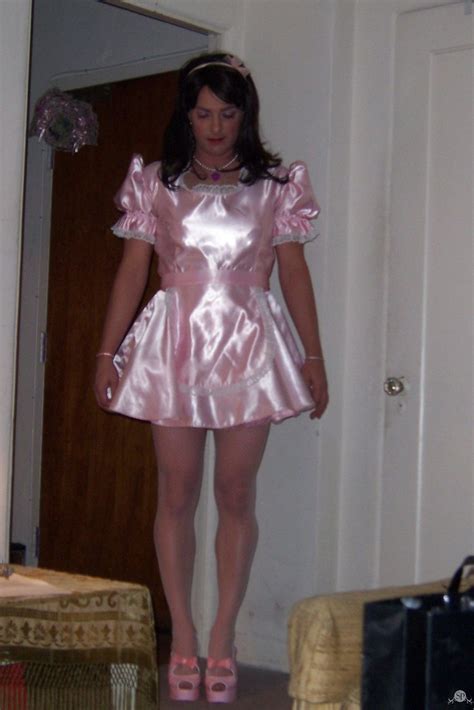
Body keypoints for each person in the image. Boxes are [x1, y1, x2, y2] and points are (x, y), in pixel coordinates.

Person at [94, 52, 328, 704]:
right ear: (186, 115)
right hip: (173, 346)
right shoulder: (154, 183)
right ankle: (186, 636)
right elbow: (132, 271)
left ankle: (223, 634)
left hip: (250, 347)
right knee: (176, 492)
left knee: (235, 493)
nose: (216, 127)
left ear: (244, 114)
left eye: (228, 113)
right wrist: (107, 354)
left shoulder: (276, 186)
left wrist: (313, 358)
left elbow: (294, 273)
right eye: (203, 114)